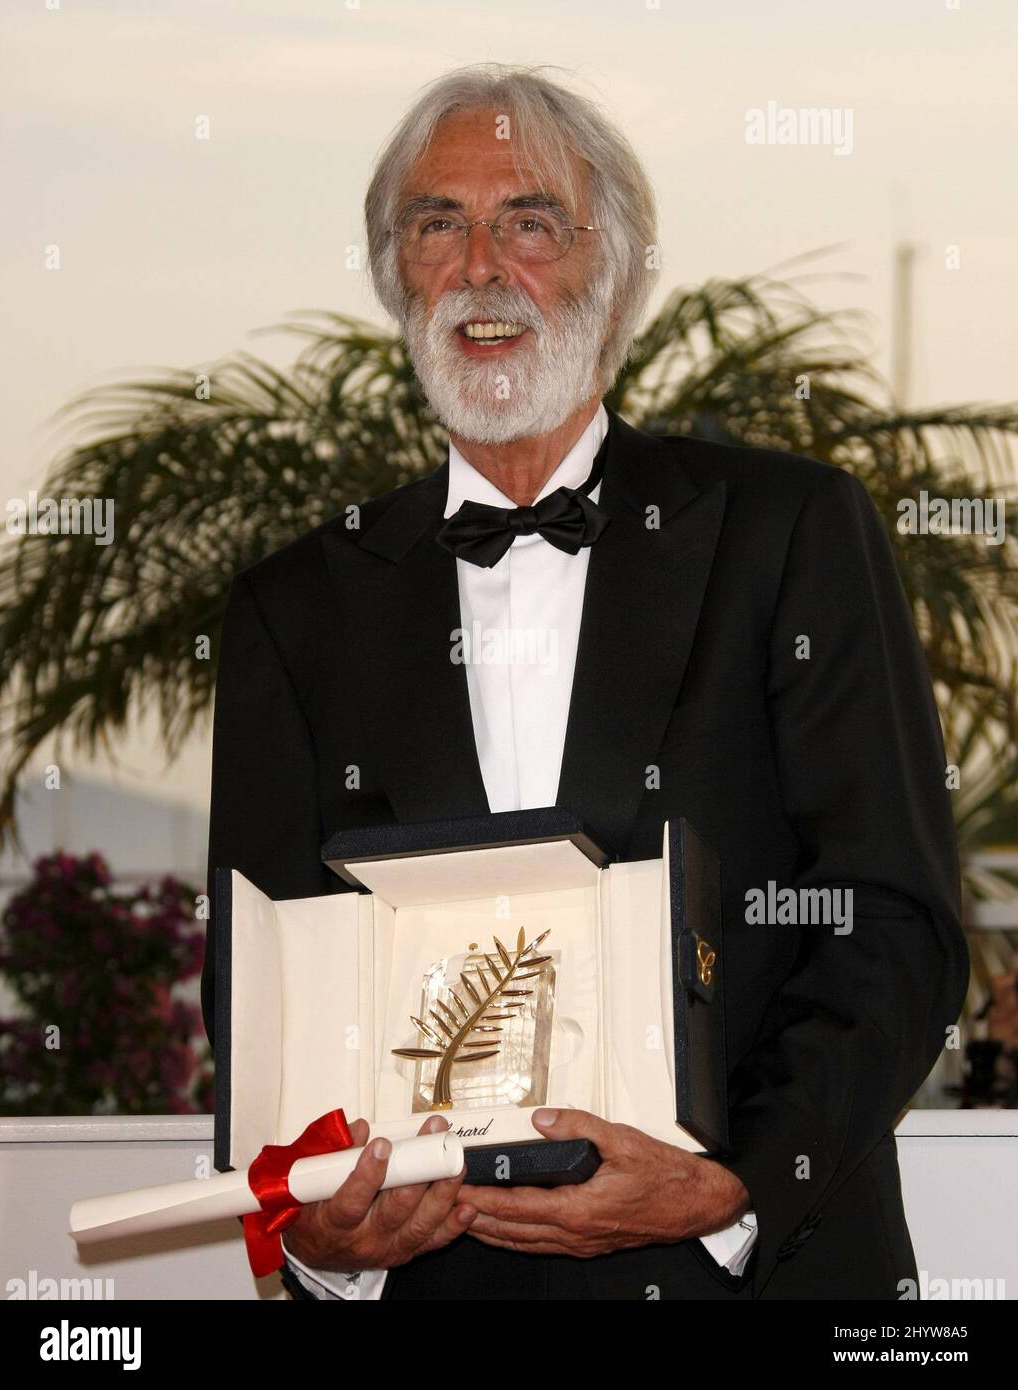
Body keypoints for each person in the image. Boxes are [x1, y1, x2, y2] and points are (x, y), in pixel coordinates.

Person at [202, 63, 969, 1301]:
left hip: (758, 1275)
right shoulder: (293, 610)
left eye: (530, 221)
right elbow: (266, 981)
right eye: (435, 223)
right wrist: (319, 1241)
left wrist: (732, 1190)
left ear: (607, 277)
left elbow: (892, 924)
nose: (479, 265)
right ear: (398, 276)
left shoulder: (789, 533)